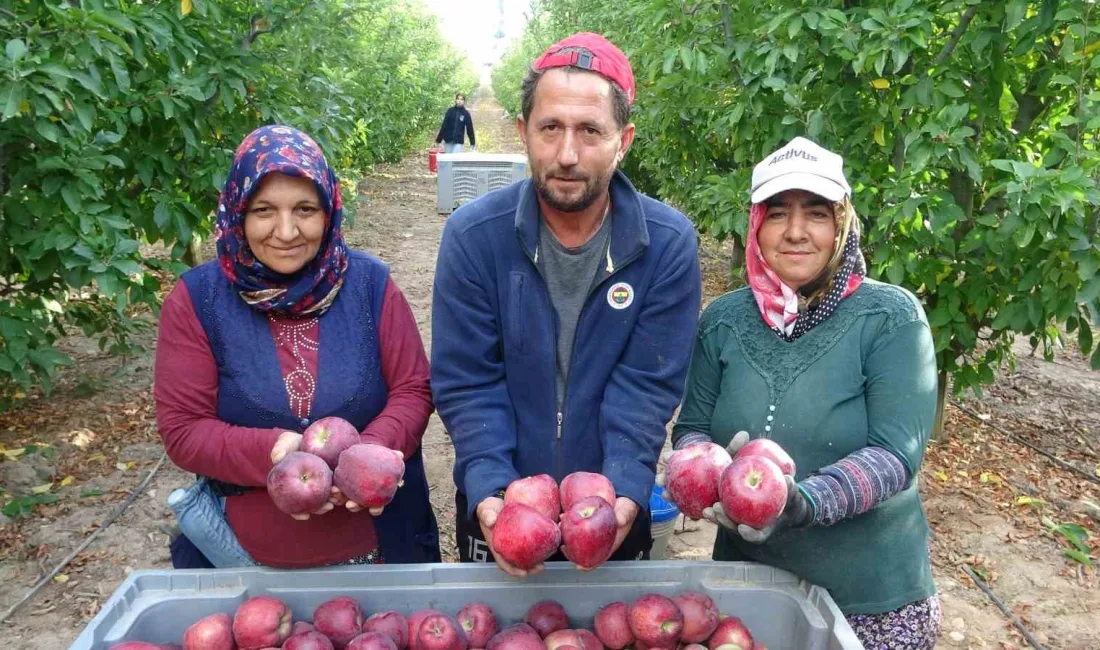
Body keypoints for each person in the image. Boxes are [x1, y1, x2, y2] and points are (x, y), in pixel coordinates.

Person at [431, 32, 703, 576]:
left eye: (590, 131)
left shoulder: (667, 244)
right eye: (550, 128)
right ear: (522, 131)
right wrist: (487, 486)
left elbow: (647, 387)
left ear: (623, 140)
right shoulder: (474, 236)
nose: (567, 155)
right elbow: (468, 379)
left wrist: (626, 488)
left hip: (610, 511)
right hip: (502, 507)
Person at [665, 136, 941, 649]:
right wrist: (697, 469)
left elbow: (895, 454)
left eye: (816, 213)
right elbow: (693, 428)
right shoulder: (724, 320)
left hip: (869, 600)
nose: (795, 232)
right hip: (749, 593)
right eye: (776, 214)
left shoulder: (890, 317)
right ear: (755, 226)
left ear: (842, 224)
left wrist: (803, 503)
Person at [154, 124, 440, 569]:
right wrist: (275, 450)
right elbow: (185, 430)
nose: (286, 231)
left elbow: (413, 390)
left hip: (380, 547)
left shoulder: (369, 285)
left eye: (305, 209)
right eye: (264, 210)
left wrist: (365, 457)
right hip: (246, 557)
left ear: (329, 211)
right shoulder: (197, 301)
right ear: (237, 212)